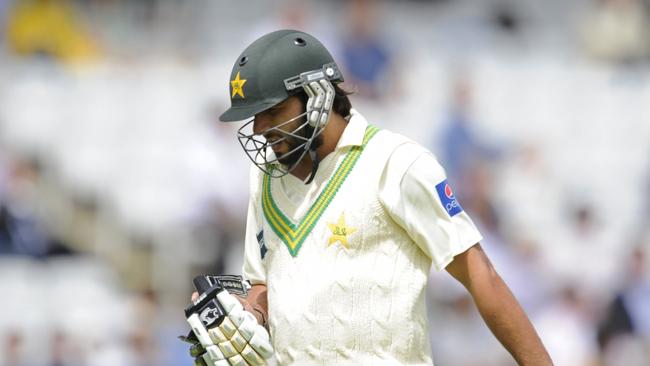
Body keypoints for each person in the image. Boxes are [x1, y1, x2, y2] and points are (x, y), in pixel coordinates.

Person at [191, 29, 552, 366]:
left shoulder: (396, 163)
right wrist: (246, 318)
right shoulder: (264, 178)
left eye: (273, 112)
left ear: (319, 96)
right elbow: (262, 283)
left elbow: (480, 276)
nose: (260, 130)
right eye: (256, 116)